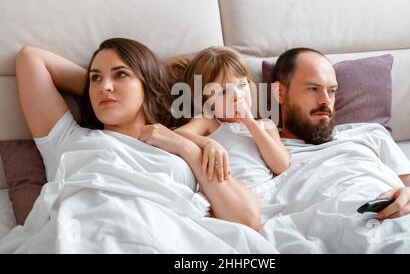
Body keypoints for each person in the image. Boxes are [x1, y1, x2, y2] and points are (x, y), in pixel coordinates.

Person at [15, 38, 261, 230]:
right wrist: (103, 92)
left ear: (147, 83)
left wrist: (186, 147)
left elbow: (247, 219)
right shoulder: (67, 139)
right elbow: (31, 58)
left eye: (121, 74)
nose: (104, 86)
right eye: (95, 78)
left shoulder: (180, 145)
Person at [270, 47, 410, 220]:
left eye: (332, 91)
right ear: (280, 92)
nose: (326, 100)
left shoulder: (369, 134)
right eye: (313, 89)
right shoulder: (263, 150)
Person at [166, 46, 290, 189]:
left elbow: (281, 166)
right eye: (224, 92)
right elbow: (174, 135)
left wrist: (250, 123)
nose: (237, 96)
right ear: (205, 101)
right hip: (231, 196)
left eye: (242, 85)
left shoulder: (266, 125)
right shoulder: (209, 122)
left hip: (267, 191)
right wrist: (206, 142)